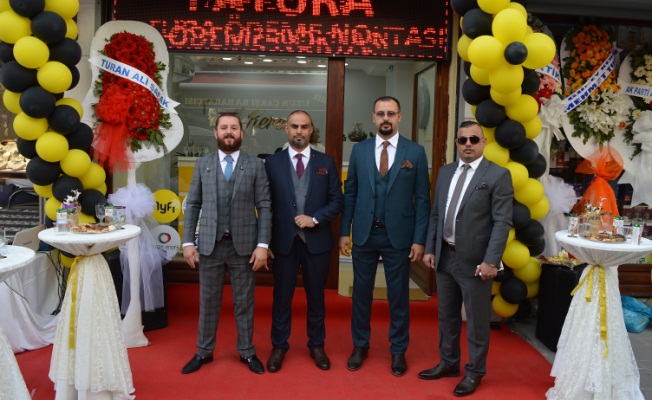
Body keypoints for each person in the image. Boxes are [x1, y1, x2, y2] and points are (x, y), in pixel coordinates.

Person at [418, 120, 513, 397]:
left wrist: (491, 260)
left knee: (476, 321)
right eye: (463, 140)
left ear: (484, 142)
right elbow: (436, 214)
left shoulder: (498, 175)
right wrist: (430, 248)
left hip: (475, 262)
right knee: (446, 316)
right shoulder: (446, 172)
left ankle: (474, 372)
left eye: (473, 139)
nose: (468, 144)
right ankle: (448, 362)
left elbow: (502, 222)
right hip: (444, 257)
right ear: (457, 143)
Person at [339, 96, 431, 376]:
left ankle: (398, 350)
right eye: (381, 113)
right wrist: (344, 231)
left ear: (399, 117)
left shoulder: (415, 152)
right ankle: (360, 345)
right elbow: (350, 193)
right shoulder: (360, 150)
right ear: (373, 117)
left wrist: (419, 239)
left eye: (391, 113)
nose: (386, 118)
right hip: (365, 234)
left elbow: (423, 199)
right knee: (361, 294)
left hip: (399, 236)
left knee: (398, 295)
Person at [181, 112, 272, 375]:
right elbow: (193, 204)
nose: (229, 132)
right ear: (216, 133)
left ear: (242, 133)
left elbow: (264, 206)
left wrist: (263, 245)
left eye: (234, 128)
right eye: (224, 128)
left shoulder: (256, 165)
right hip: (210, 245)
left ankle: (247, 351)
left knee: (244, 302)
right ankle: (203, 351)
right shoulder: (203, 164)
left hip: (244, 246)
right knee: (208, 301)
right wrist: (188, 242)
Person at [264, 110, 343, 372]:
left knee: (316, 297)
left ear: (311, 130)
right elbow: (265, 204)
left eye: (304, 127)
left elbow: (337, 201)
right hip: (283, 243)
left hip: (317, 243)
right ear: (286, 129)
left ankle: (317, 345)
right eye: (295, 126)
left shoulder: (326, 162)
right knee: (281, 297)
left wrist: (316, 219)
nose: (299, 131)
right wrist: (265, 243)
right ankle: (279, 346)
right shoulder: (272, 163)